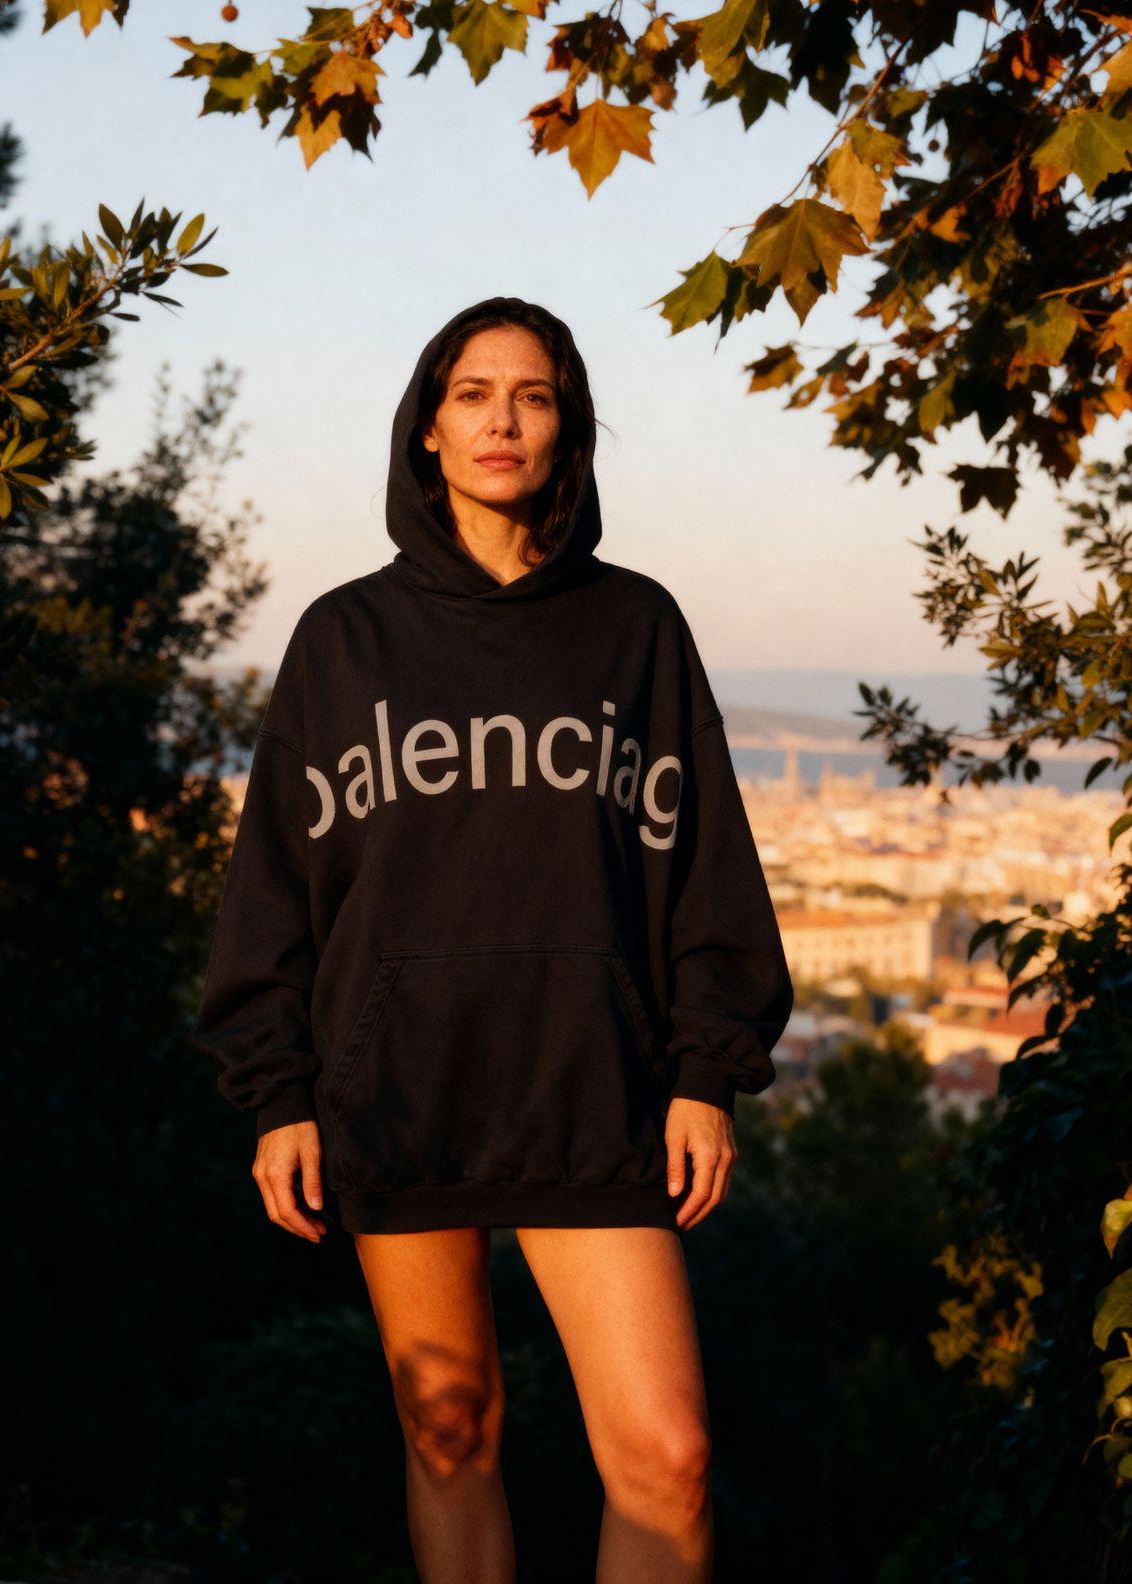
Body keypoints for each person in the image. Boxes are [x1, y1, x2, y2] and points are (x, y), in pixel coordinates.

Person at [191, 295, 794, 1582]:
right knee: (450, 1431)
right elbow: (273, 892)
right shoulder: (342, 639)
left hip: (596, 1091)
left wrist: (705, 1072)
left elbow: (707, 871)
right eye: (472, 393)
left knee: (669, 1458)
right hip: (401, 1091)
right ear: (427, 428)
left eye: (532, 393)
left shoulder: (637, 627)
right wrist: (275, 1094)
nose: (502, 420)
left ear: (566, 423)